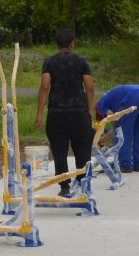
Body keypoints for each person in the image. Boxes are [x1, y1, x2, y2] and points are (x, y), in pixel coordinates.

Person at [35, 28, 95, 198]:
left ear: (58, 44)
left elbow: (44, 87)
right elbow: (89, 87)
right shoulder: (81, 61)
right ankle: (83, 183)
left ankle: (64, 186)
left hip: (56, 113)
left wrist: (39, 114)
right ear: (71, 44)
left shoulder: (49, 62)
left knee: (59, 151)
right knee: (82, 149)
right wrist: (89, 109)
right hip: (78, 112)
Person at [95, 85, 139, 172]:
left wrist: (101, 141)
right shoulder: (111, 98)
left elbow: (115, 123)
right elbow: (116, 125)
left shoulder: (100, 104)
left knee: (122, 133)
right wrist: (103, 140)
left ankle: (125, 165)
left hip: (133, 97)